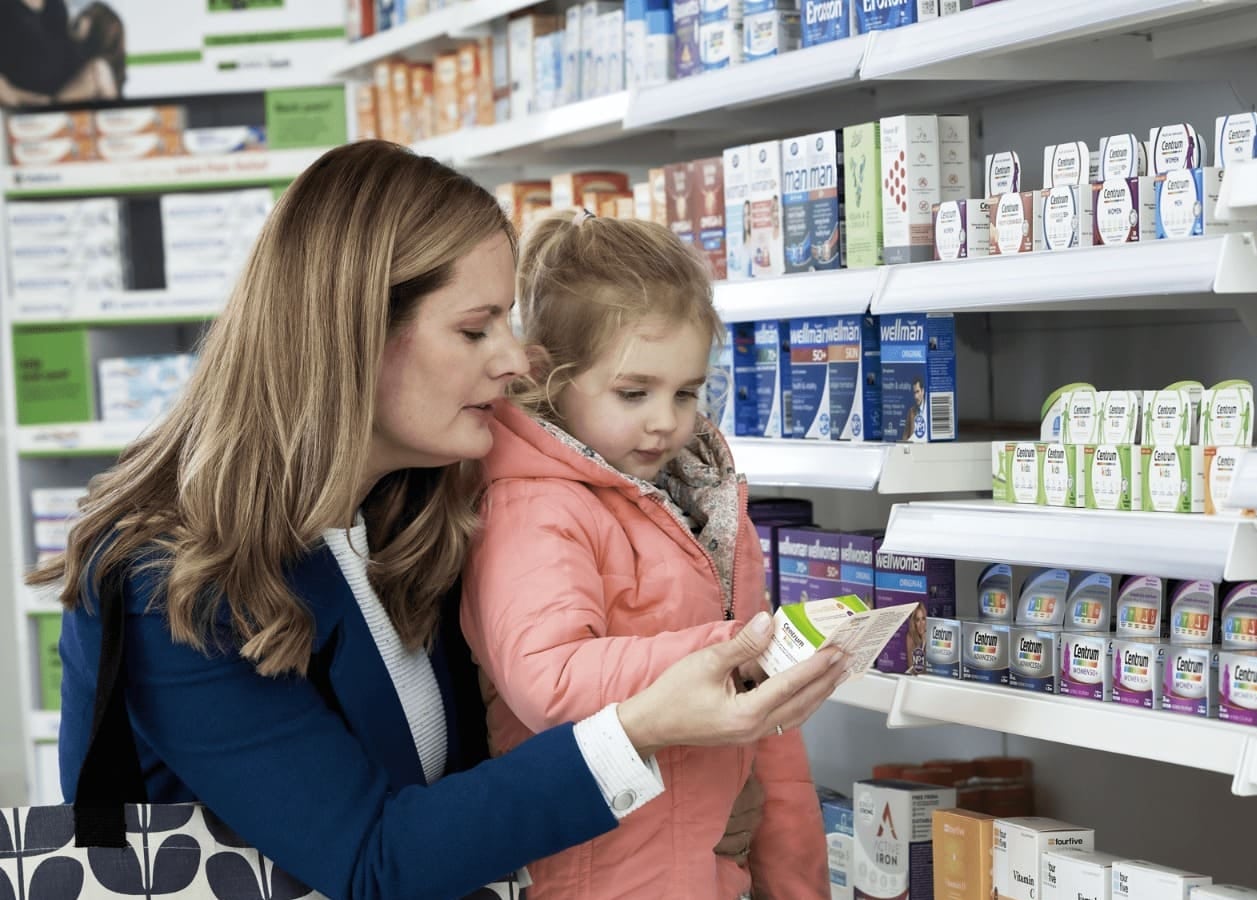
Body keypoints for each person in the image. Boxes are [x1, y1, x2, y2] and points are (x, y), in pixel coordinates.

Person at [32, 141, 848, 900]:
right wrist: (638, 733)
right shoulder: (172, 577)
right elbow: (373, 860)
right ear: (356, 333)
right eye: (475, 327)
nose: (515, 358)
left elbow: (483, 787)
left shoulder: (423, 512)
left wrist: (684, 812)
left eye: (509, 322)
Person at [460, 211, 828, 899]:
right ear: (550, 377)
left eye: (686, 392)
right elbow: (550, 677)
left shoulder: (703, 507)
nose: (667, 420)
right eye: (635, 393)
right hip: (598, 876)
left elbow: (769, 735)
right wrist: (725, 649)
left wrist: (798, 884)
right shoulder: (534, 507)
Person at [0, 0, 125, 107]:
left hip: (62, 98)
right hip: (27, 106)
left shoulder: (57, 7)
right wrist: (21, 99)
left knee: (100, 69)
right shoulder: (6, 9)